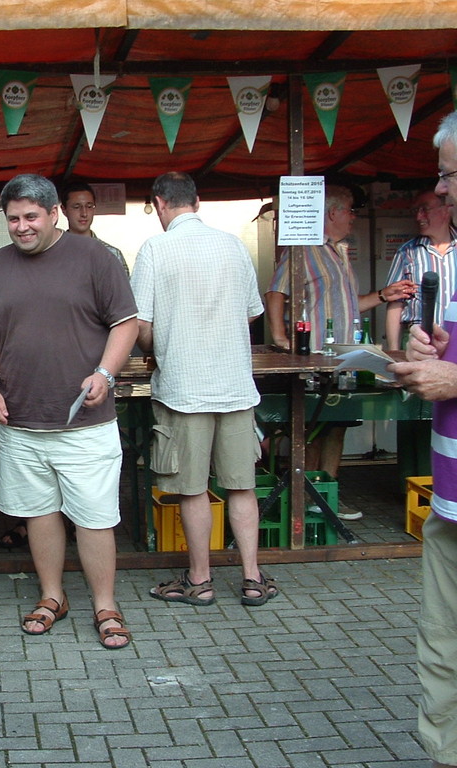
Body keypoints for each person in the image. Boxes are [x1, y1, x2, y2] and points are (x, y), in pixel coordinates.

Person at [0, 173, 138, 650]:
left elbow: (126, 323)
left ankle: (105, 604)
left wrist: (104, 372)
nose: (21, 227)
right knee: (38, 513)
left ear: (54, 213)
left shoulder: (95, 258)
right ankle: (52, 596)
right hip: (19, 418)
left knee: (94, 516)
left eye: (30, 217)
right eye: (13, 219)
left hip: (84, 421)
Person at [131, 171, 275, 608]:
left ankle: (199, 580)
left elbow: (142, 324)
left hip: (183, 389)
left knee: (192, 489)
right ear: (197, 201)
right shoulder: (232, 244)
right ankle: (252, 579)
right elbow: (252, 312)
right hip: (235, 386)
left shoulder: (156, 248)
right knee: (241, 486)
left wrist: (162, 346)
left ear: (159, 203)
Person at [265, 186, 415, 504]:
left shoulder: (341, 252)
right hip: (315, 358)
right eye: (350, 211)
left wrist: (383, 296)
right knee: (313, 429)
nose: (353, 218)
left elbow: (348, 305)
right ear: (332, 212)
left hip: (345, 357)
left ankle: (327, 497)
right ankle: (304, 503)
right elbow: (275, 292)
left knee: (337, 425)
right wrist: (279, 336)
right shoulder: (302, 250)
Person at [389, 110, 457, 768]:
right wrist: (427, 348)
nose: (441, 191)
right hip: (450, 503)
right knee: (442, 651)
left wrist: (454, 377)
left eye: (448, 175)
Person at [384, 191, 456, 351]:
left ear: (446, 209)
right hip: (419, 342)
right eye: (415, 211)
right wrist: (394, 351)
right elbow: (395, 303)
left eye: (424, 209)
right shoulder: (407, 252)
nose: (418, 217)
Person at [60, 180, 129, 275]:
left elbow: (123, 289)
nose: (84, 213)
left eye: (89, 206)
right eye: (76, 207)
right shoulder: (55, 253)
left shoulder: (112, 254)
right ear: (64, 210)